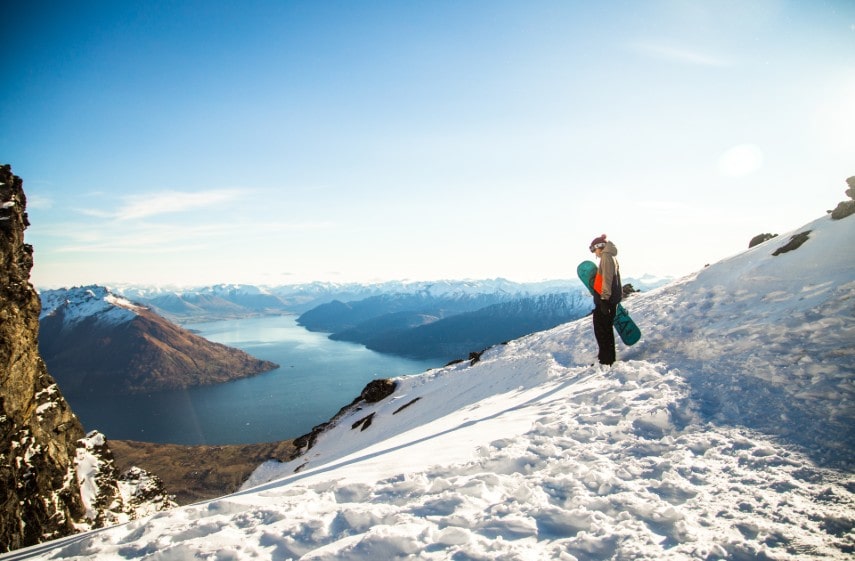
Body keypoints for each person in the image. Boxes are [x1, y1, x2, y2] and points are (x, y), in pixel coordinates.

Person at [589, 234, 621, 365]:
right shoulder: (609, 256)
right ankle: (606, 358)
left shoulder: (606, 257)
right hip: (608, 300)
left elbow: (607, 280)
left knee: (602, 330)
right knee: (604, 329)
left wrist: (604, 299)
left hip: (606, 301)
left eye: (594, 250)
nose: (594, 253)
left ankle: (606, 360)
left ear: (599, 247)